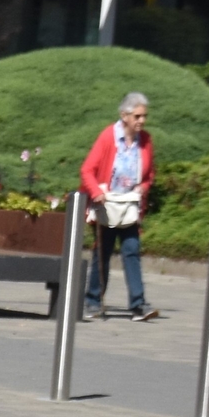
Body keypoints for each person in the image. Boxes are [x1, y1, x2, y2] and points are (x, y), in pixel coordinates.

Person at [80, 92, 159, 323]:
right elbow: (87, 170)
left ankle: (138, 304)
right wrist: (97, 193)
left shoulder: (146, 140)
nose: (142, 121)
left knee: (132, 250)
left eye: (144, 116)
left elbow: (149, 174)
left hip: (130, 206)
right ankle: (93, 300)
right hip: (108, 204)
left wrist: (144, 186)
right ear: (124, 115)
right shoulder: (108, 137)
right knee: (102, 253)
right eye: (137, 116)